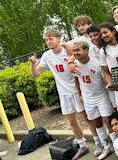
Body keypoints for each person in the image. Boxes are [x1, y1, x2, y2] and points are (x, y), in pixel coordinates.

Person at [30, 29, 90, 159]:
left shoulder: (69, 49)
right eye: (46, 39)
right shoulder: (47, 56)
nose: (48, 41)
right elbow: (36, 74)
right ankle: (82, 145)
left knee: (87, 118)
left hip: (77, 89)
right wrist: (33, 64)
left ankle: (100, 141)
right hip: (63, 93)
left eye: (51, 38)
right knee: (71, 121)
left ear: (59, 38)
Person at [72, 41, 115, 160]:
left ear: (86, 51)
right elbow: (76, 80)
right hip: (88, 98)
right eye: (74, 51)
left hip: (102, 95)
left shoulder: (96, 64)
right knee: (96, 121)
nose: (75, 53)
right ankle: (105, 146)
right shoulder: (74, 64)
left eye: (78, 50)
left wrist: (110, 86)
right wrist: (80, 94)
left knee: (107, 119)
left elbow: (106, 77)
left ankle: (116, 144)